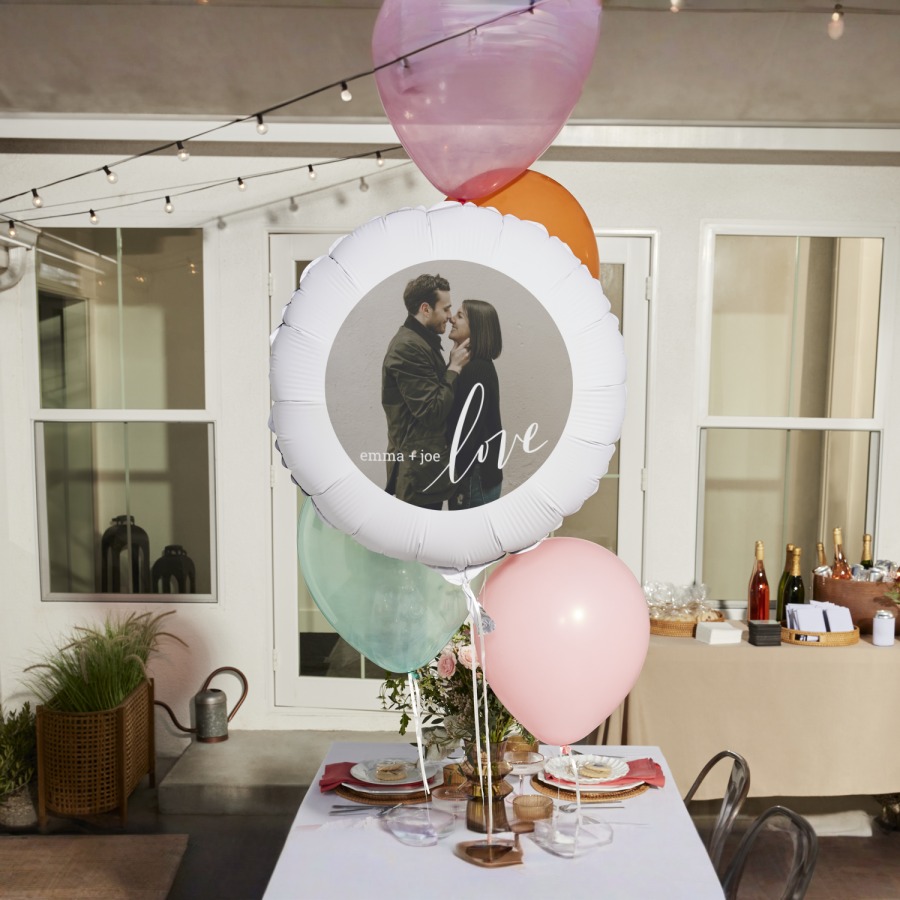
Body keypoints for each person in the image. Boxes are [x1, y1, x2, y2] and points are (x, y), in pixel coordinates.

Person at [381, 273, 470, 509]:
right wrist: (453, 369)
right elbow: (431, 411)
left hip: (423, 472)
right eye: (446, 309)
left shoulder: (420, 342)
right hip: (417, 476)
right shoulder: (409, 347)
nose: (450, 317)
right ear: (426, 309)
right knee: (418, 546)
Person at [446, 299, 503, 510]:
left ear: (476, 329)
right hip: (475, 475)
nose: (452, 318)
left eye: (460, 316)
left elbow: (467, 432)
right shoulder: (471, 365)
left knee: (467, 541)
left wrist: (454, 472)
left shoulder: (476, 369)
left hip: (474, 477)